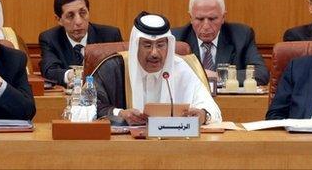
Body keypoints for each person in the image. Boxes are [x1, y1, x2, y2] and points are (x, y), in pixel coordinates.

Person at [93, 11, 222, 125]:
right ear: (136, 45)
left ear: (169, 45)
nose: (154, 53)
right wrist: (119, 113)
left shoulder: (181, 68)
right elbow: (87, 107)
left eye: (160, 45)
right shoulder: (114, 69)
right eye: (147, 45)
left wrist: (203, 115)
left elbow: (212, 109)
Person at [172, 0, 269, 85]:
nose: (206, 26)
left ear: (223, 17)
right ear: (191, 18)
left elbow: (261, 74)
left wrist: (217, 76)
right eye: (200, 19)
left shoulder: (242, 36)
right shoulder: (176, 39)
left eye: (212, 19)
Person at [39, 0, 123, 86]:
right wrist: (71, 75)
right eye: (70, 16)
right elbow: (50, 70)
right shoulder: (50, 38)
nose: (78, 22)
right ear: (59, 20)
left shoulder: (110, 36)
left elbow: (121, 72)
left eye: (82, 13)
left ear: (89, 12)